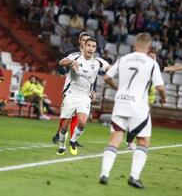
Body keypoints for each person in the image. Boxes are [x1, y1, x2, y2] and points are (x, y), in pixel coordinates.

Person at [99, 33, 167, 188]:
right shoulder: (151, 63)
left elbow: (107, 78)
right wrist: (164, 97)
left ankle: (104, 174)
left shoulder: (123, 59)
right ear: (149, 46)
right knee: (143, 142)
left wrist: (118, 89)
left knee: (115, 139)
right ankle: (134, 177)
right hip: (139, 106)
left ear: (134, 44)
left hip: (120, 103)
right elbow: (160, 88)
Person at [57, 38, 110, 155]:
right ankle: (61, 145)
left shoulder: (98, 61)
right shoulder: (75, 56)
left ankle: (73, 141)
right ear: (84, 47)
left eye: (93, 46)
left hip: (85, 96)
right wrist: (71, 62)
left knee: (82, 122)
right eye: (89, 45)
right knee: (65, 124)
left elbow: (109, 68)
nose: (90, 48)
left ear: (95, 49)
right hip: (71, 94)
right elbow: (61, 62)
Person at [52, 32, 91, 146]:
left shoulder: (91, 56)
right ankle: (59, 134)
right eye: (84, 40)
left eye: (88, 41)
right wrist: (65, 73)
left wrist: (93, 90)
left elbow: (93, 73)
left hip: (84, 90)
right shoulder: (71, 53)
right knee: (67, 114)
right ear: (79, 41)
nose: (86, 43)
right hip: (70, 88)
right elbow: (60, 64)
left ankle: (73, 138)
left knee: (78, 114)